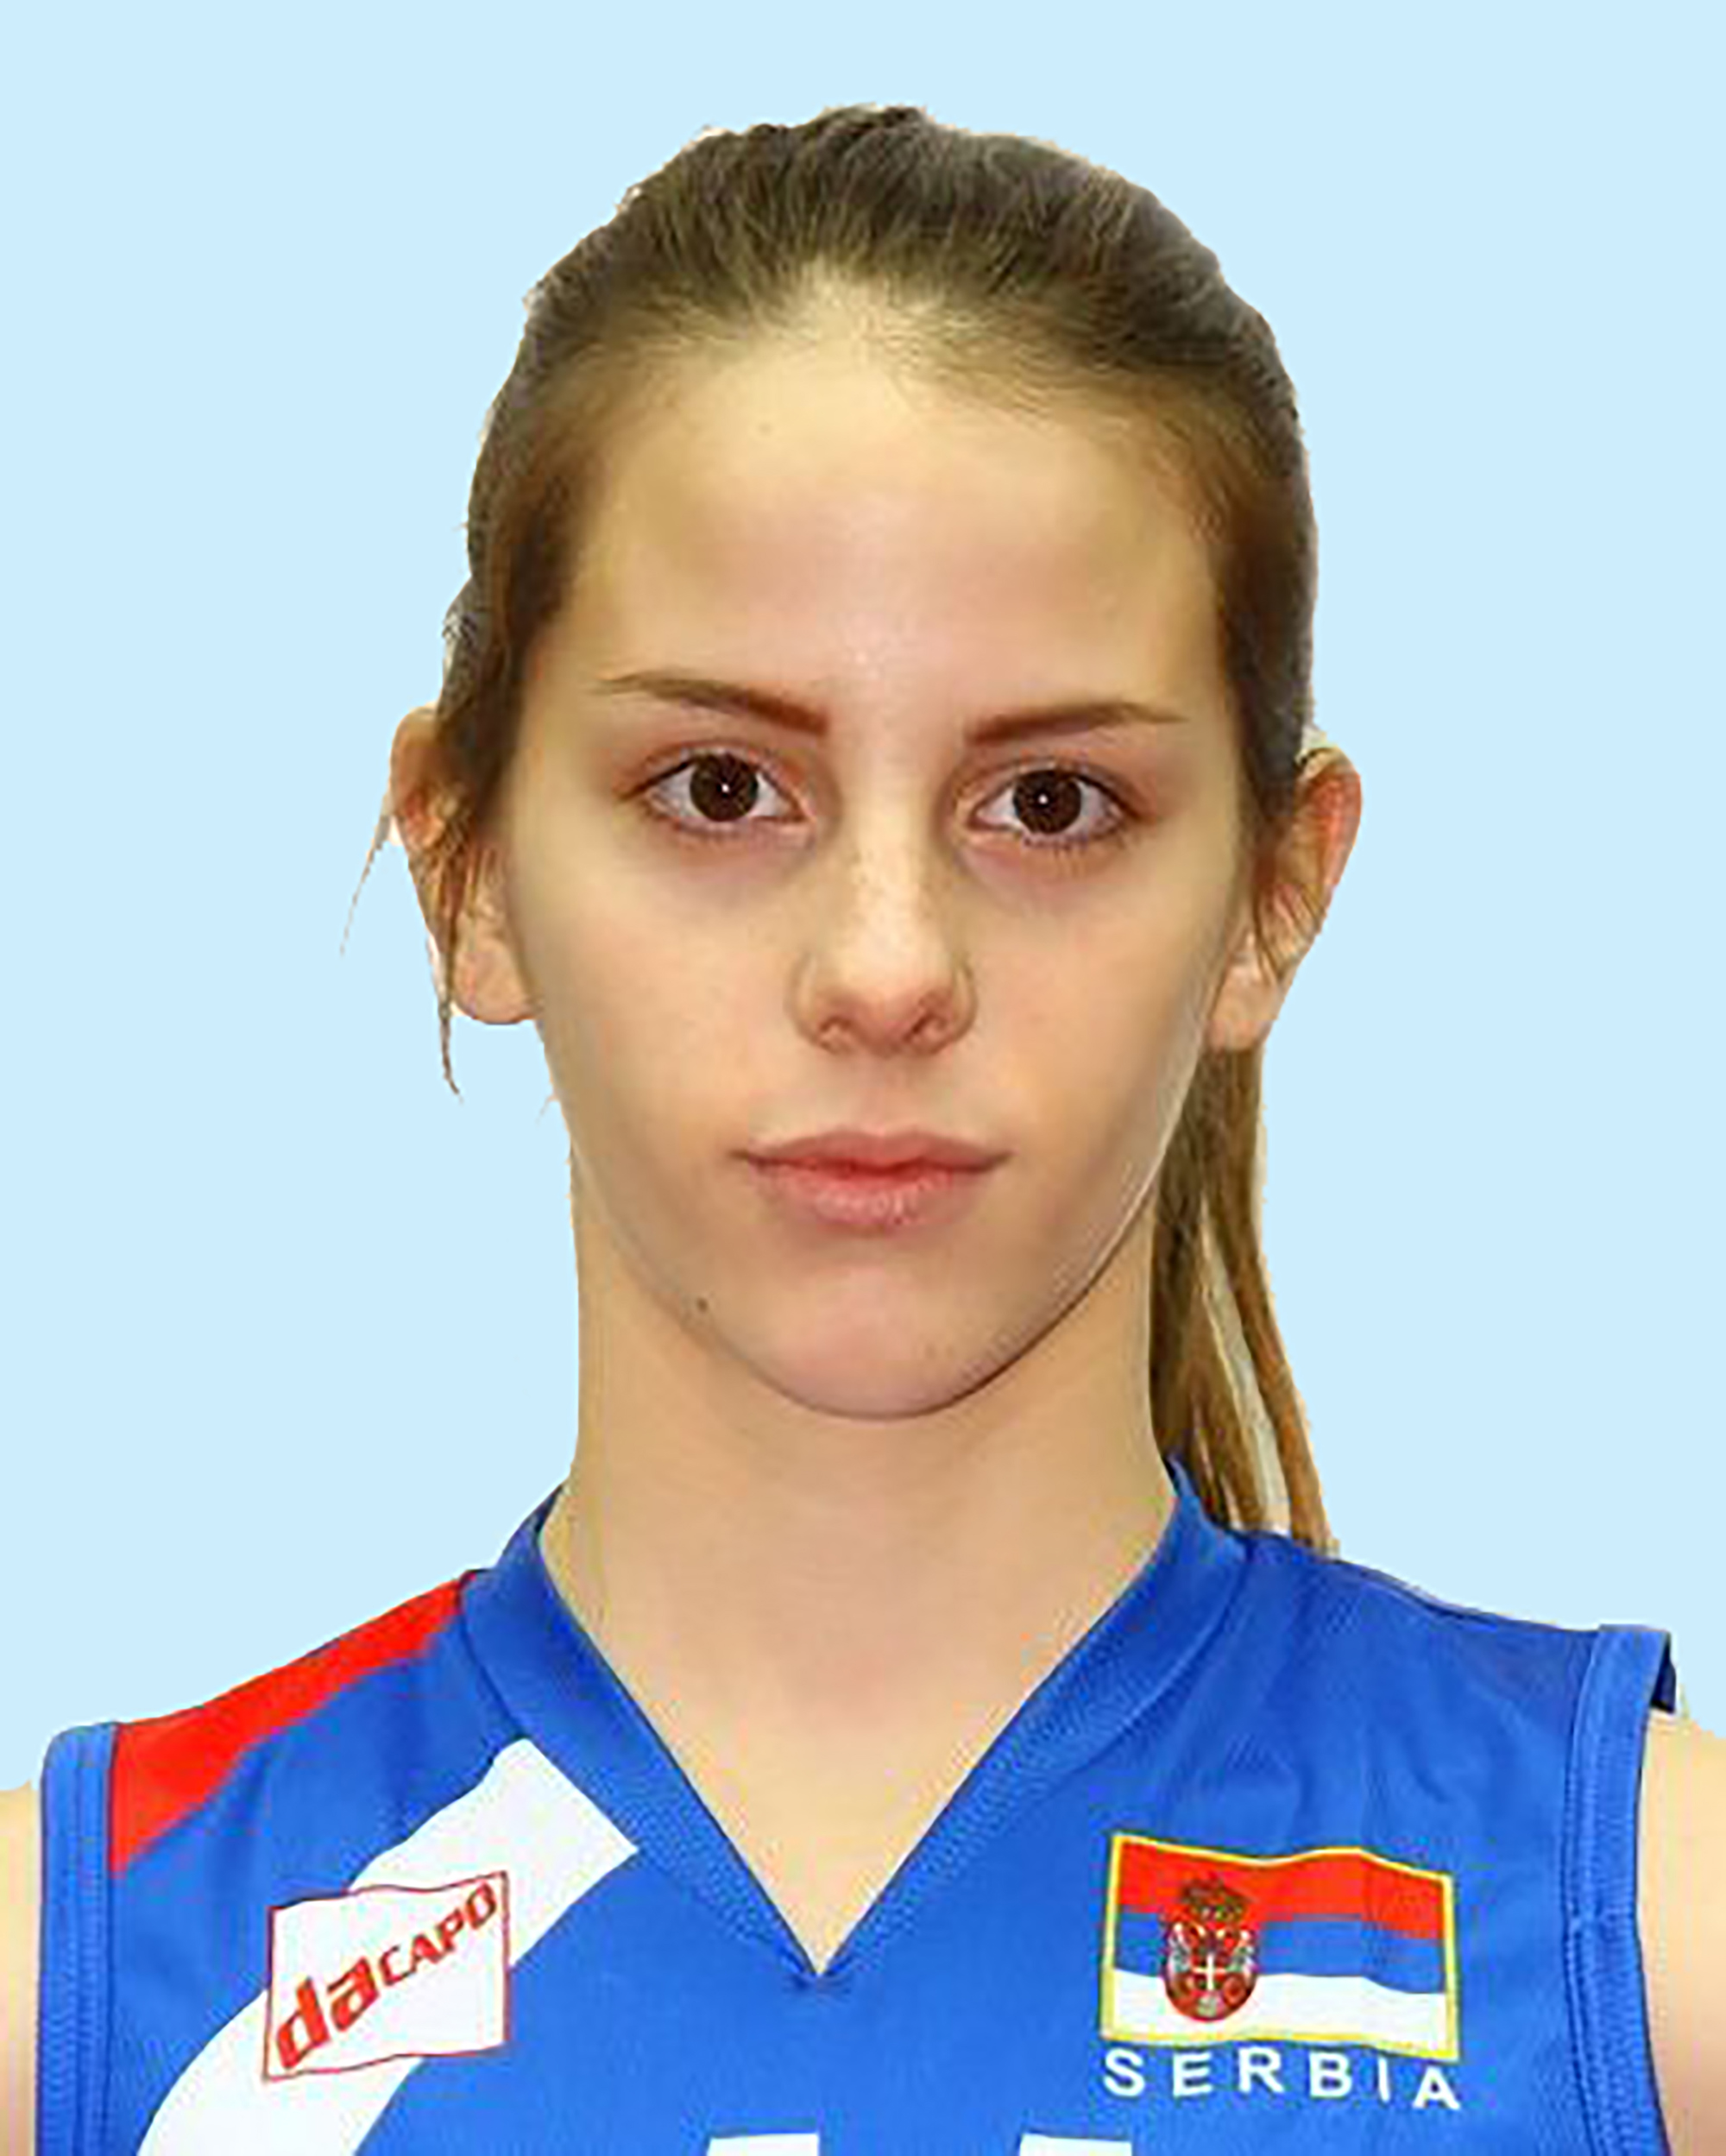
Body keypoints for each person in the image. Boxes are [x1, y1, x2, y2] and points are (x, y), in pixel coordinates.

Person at [3, 100, 1721, 2153]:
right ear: (469, 867)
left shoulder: (1642, 1952)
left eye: (1051, 803)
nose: (887, 967)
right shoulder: (88, 1985)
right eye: (721, 789)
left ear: (1275, 893)